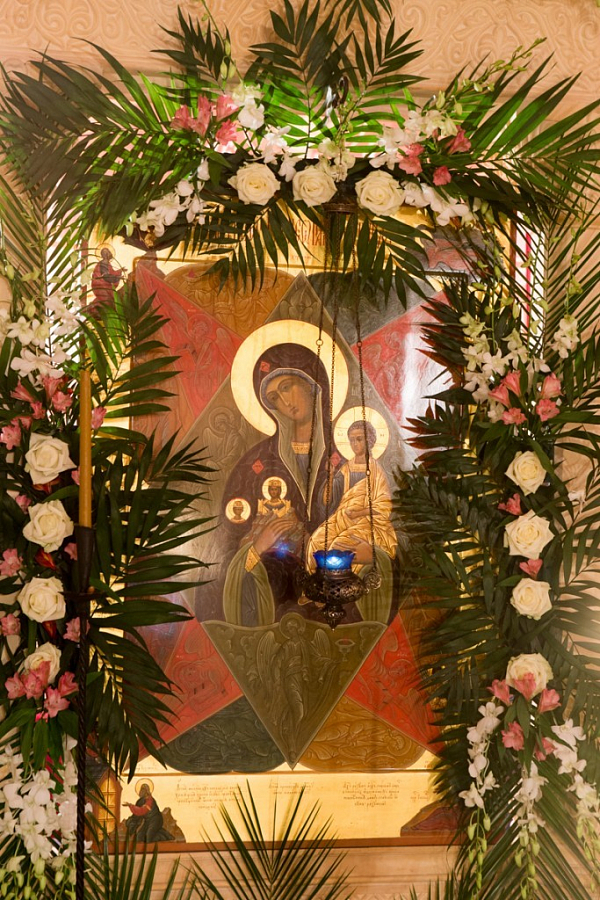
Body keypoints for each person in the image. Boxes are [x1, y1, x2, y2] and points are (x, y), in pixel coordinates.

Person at [307, 420, 397, 623]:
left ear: (370, 440)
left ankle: (341, 591)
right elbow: (329, 502)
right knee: (316, 541)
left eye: (359, 439)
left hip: (368, 521)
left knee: (340, 545)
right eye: (352, 440)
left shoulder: (376, 471)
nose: (355, 444)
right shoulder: (346, 469)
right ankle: (320, 589)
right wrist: (331, 478)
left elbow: (384, 506)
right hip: (343, 516)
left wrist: (360, 512)